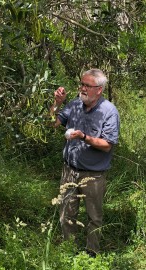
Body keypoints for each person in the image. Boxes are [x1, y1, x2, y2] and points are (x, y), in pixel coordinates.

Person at [50, 69, 120, 256]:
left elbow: (107, 145)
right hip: (69, 170)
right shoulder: (74, 104)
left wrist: (83, 137)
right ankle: (69, 251)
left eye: (87, 86)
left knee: (94, 217)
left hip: (94, 175)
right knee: (66, 214)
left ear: (99, 89)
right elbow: (53, 123)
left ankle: (92, 255)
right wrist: (57, 104)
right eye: (81, 84)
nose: (82, 88)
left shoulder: (109, 111)